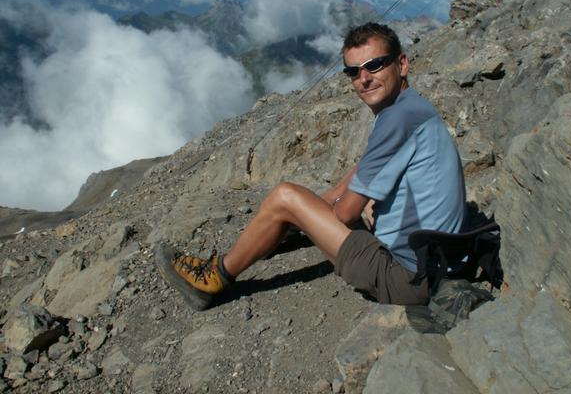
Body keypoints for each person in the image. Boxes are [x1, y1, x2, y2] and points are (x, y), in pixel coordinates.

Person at [155, 22, 467, 309]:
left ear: (402, 64)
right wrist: (317, 208)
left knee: (284, 196)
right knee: (322, 205)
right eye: (353, 71)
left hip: (407, 278)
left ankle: (214, 279)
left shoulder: (396, 120)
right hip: (436, 264)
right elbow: (362, 172)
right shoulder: (411, 108)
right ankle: (279, 229)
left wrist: (309, 212)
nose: (364, 78)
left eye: (375, 65)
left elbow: (346, 213)